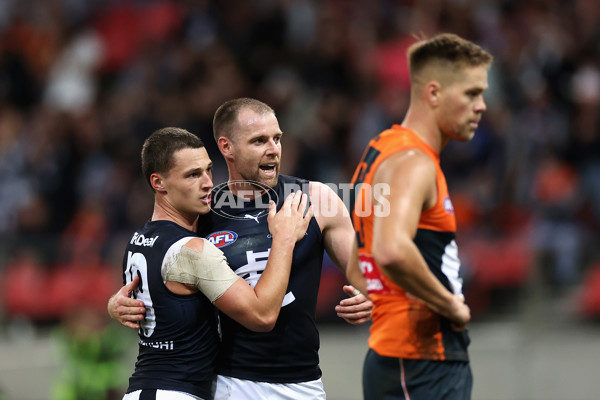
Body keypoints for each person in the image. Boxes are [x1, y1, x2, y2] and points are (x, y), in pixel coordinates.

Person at [109, 98, 373, 400]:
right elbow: (160, 259)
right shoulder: (203, 210)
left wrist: (372, 293)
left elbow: (364, 271)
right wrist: (118, 302)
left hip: (304, 383)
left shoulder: (317, 199)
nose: (273, 148)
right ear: (227, 147)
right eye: (259, 140)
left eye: (277, 138)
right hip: (229, 383)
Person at [347, 33, 493, 400]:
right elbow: (391, 250)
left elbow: (357, 266)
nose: (482, 106)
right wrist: (450, 305)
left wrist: (385, 300)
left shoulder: (379, 152)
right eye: (471, 93)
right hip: (424, 361)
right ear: (433, 93)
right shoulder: (414, 163)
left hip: (396, 358)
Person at [117, 127, 312, 400]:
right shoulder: (194, 250)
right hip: (176, 392)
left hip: (146, 388)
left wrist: (113, 305)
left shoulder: (138, 240)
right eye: (193, 175)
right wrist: (284, 239)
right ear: (158, 183)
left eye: (208, 169)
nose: (208, 182)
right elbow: (262, 315)